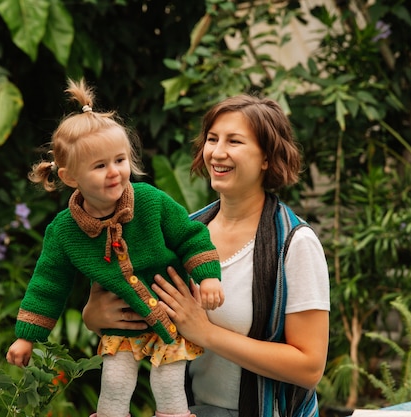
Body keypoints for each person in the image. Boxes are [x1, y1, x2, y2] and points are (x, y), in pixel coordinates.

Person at [83, 94, 330, 417]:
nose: (217, 152)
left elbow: (309, 368)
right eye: (212, 139)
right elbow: (139, 307)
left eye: (235, 141)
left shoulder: (294, 243)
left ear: (267, 158)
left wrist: (206, 333)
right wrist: (94, 316)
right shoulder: (183, 232)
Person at [6, 78, 225, 417]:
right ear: (69, 177)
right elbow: (47, 284)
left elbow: (190, 235)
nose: (114, 172)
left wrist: (208, 276)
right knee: (114, 385)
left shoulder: (151, 202)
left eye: (120, 160)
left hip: (169, 316)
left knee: (168, 387)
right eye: (99, 166)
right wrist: (26, 337)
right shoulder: (64, 231)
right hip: (121, 325)